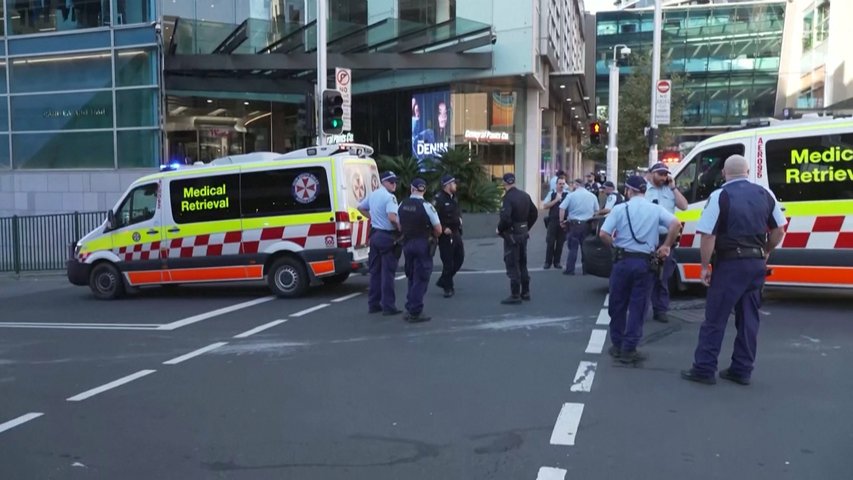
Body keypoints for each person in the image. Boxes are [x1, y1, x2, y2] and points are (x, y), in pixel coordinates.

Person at [681, 155, 786, 385]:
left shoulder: (720, 196)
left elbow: (708, 235)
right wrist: (766, 251)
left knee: (715, 317)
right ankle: (742, 369)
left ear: (724, 173)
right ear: (747, 172)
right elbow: (779, 229)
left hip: (730, 265)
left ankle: (704, 369)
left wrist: (704, 266)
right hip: (756, 265)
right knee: (749, 319)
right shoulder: (765, 194)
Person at [599, 175, 681, 364]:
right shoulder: (655, 208)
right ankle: (630, 348)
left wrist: (615, 245)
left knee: (617, 303)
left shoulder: (619, 209)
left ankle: (617, 344)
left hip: (622, 261)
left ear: (628, 190)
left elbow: (603, 234)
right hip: (645, 263)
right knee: (639, 306)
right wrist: (666, 246)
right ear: (644, 191)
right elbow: (676, 223)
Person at [645, 162, 689, 323]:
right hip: (648, 237)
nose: (663, 177)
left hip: (666, 238)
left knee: (663, 277)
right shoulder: (644, 191)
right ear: (651, 174)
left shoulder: (670, 191)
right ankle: (643, 309)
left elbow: (684, 206)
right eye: (660, 174)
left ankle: (660, 310)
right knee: (646, 275)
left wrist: (673, 187)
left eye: (665, 174)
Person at [398, 178, 443, 323]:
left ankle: (409, 306)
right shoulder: (427, 206)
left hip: (407, 243)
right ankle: (415, 311)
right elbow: (438, 229)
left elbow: (398, 224)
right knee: (421, 277)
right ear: (424, 190)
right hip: (422, 243)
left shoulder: (402, 204)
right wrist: (433, 237)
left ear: (412, 188)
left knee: (411, 276)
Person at [357, 171, 402, 316]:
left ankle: (374, 304)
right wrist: (400, 228)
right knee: (388, 273)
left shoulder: (374, 194)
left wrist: (374, 218)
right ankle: (388, 306)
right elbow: (392, 217)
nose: (394, 184)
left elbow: (361, 208)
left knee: (375, 273)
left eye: (395, 182)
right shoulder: (390, 198)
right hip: (387, 237)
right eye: (391, 182)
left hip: (375, 235)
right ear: (384, 182)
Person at [497, 173, 538, 304]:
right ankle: (525, 291)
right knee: (523, 262)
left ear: (504, 183)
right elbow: (534, 213)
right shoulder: (525, 196)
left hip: (512, 235)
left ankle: (515, 295)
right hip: (523, 233)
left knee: (512, 263)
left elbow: (505, 218)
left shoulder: (508, 198)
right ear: (514, 181)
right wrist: (526, 226)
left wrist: (500, 229)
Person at [558, 179, 599, 275]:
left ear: (577, 185)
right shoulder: (592, 196)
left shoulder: (571, 195)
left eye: (573, 184)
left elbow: (562, 208)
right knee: (585, 248)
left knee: (573, 247)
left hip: (574, 224)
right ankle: (586, 269)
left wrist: (561, 221)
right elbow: (597, 211)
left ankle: (570, 269)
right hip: (587, 224)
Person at [434, 174, 465, 297]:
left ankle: (443, 280)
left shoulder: (454, 197)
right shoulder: (439, 199)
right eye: (453, 183)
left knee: (459, 258)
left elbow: (457, 212)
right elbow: (433, 216)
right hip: (446, 235)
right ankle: (448, 287)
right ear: (447, 185)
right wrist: (442, 228)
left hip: (456, 232)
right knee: (448, 262)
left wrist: (460, 221)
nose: (455, 185)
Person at [542, 177, 568, 269]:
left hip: (563, 221)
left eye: (563, 184)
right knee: (550, 242)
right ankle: (548, 262)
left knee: (560, 242)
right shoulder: (551, 194)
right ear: (556, 184)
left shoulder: (568, 194)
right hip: (553, 220)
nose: (561, 186)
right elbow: (545, 206)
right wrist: (556, 200)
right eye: (560, 184)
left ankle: (557, 262)